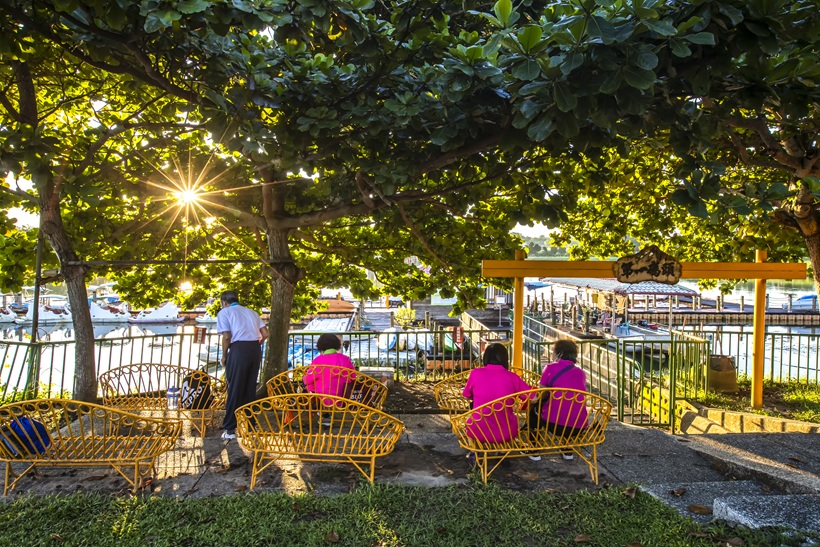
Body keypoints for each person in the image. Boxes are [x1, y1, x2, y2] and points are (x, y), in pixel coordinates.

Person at [461, 343, 532, 453]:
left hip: (477, 430)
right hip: (506, 433)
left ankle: (474, 452)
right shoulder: (513, 377)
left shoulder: (475, 373)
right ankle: (501, 450)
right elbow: (533, 397)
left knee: (473, 413)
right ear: (505, 359)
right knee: (508, 419)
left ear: (485, 357)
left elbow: (466, 396)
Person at [217, 290, 268, 440]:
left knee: (235, 387)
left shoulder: (225, 312)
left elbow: (227, 336)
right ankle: (250, 425)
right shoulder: (252, 312)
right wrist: (256, 344)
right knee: (250, 387)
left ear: (224, 302)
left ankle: (230, 429)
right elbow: (265, 334)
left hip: (238, 349)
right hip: (254, 349)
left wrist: (224, 356)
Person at [528, 339, 588, 460]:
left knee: (535, 408)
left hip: (554, 425)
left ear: (559, 354)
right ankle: (567, 449)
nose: (552, 354)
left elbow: (541, 394)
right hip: (578, 427)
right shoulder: (581, 373)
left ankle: (533, 448)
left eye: (553, 352)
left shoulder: (550, 368)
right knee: (569, 406)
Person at [302, 333, 357, 399]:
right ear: (337, 344)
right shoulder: (345, 359)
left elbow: (307, 380)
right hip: (343, 400)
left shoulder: (317, 361)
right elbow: (353, 377)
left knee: (310, 385)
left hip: (322, 400)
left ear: (320, 345)